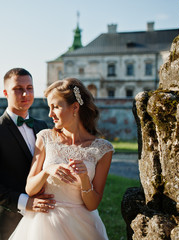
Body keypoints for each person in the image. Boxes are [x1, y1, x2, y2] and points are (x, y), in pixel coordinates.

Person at [9, 78, 114, 240]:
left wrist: (85, 179)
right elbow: (30, 189)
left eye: (56, 107)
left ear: (75, 107)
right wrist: (47, 171)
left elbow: (93, 204)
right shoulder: (45, 138)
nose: (50, 114)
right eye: (49, 107)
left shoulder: (103, 149)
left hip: (84, 227)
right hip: (44, 225)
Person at [0, 68, 56, 240]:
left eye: (30, 88)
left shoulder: (43, 127)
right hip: (7, 222)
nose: (25, 94)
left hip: (42, 220)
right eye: (18, 89)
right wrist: (25, 202)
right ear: (5, 92)